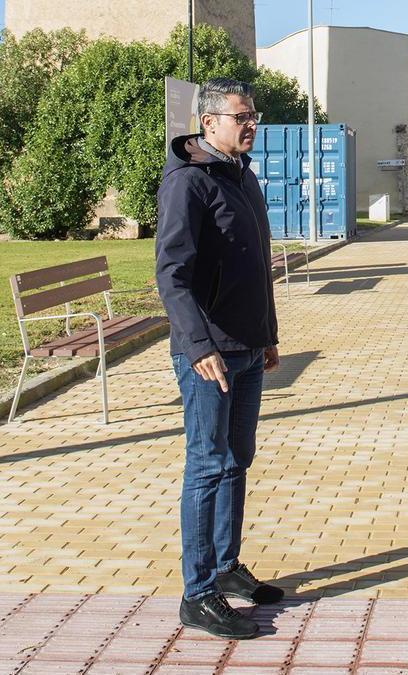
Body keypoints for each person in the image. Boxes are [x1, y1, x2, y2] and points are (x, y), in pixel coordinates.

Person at [156, 78, 284, 640]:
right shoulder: (189, 183)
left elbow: (256, 264)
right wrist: (199, 345)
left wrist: (267, 334)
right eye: (241, 116)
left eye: (253, 115)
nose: (250, 124)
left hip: (248, 348)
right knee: (208, 465)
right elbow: (172, 274)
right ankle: (198, 592)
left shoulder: (244, 176)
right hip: (208, 354)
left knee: (237, 459)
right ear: (209, 123)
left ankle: (227, 568)